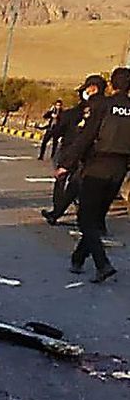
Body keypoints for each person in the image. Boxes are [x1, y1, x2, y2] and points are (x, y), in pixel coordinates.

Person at [57, 67, 130, 283]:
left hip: (97, 166)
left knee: (85, 218)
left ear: (112, 84)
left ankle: (102, 264)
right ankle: (78, 259)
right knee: (96, 218)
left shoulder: (102, 105)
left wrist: (66, 164)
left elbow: (86, 137)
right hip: (120, 170)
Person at [42, 75, 107, 225]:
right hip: (94, 154)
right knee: (78, 185)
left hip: (72, 151)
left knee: (63, 181)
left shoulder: (78, 112)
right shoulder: (107, 107)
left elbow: (61, 131)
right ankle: (66, 212)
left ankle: (57, 210)